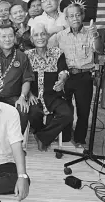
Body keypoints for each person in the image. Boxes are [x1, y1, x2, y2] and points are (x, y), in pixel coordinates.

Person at [48, 3, 104, 147]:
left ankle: (79, 139)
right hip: (66, 76)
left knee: (83, 110)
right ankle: (66, 137)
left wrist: (96, 35)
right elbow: (48, 50)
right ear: (66, 19)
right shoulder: (59, 36)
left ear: (83, 16)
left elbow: (99, 50)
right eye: (71, 16)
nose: (75, 18)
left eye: (78, 15)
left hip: (84, 76)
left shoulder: (90, 33)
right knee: (66, 109)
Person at [0, 24, 42, 134]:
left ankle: (16, 143)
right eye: (4, 36)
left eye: (10, 36)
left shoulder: (22, 56)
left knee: (23, 110)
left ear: (14, 38)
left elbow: (27, 80)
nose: (7, 39)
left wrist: (22, 97)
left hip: (13, 97)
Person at [25, 23, 73, 151]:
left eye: (43, 34)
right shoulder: (26, 55)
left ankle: (42, 136)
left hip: (53, 95)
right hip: (33, 96)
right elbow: (22, 78)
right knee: (33, 113)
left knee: (67, 114)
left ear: (47, 36)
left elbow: (64, 71)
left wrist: (62, 80)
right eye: (36, 35)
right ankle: (40, 132)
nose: (40, 37)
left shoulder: (57, 53)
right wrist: (29, 94)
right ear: (31, 39)